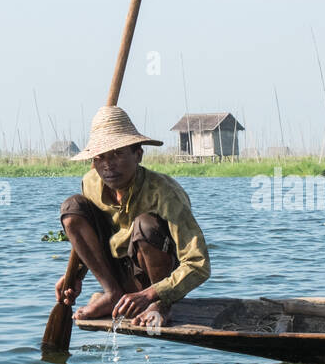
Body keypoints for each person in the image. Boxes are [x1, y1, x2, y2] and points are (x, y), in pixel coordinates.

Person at [55, 105, 209, 328]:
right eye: (101, 157)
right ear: (93, 161)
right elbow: (91, 234)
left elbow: (199, 264)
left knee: (145, 225)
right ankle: (112, 294)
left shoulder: (165, 193)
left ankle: (160, 306)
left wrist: (151, 295)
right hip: (117, 273)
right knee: (72, 208)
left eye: (118, 154)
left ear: (138, 155)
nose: (108, 165)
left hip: (156, 279)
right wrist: (76, 275)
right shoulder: (90, 183)